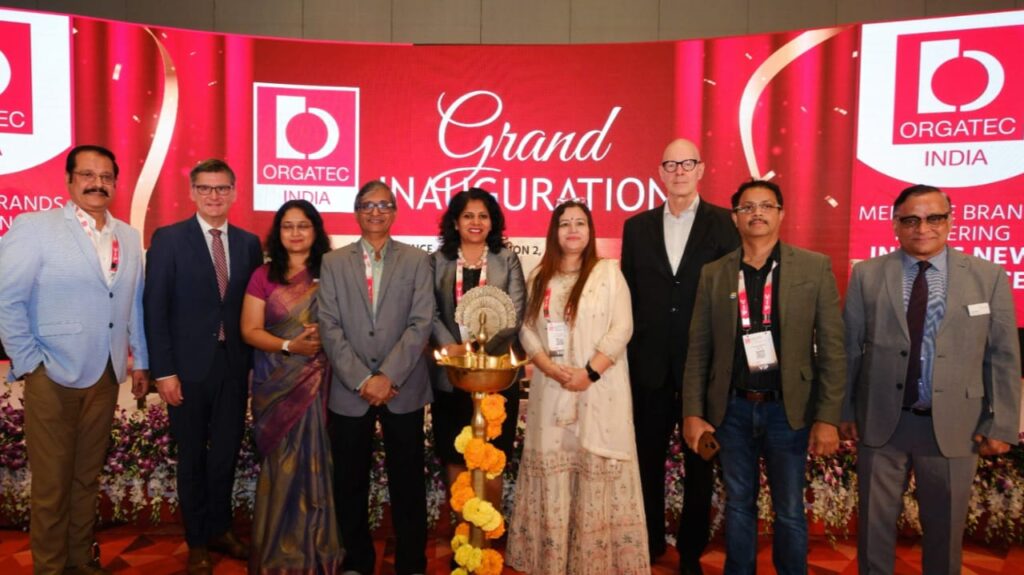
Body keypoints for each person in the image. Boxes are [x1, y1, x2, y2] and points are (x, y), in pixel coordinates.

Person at [841, 185, 1021, 575]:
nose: (923, 228)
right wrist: (844, 411)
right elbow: (850, 349)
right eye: (911, 220)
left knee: (945, 533)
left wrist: (1001, 423)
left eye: (934, 218)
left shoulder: (987, 276)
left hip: (955, 425)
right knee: (874, 531)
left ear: (950, 221)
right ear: (895, 225)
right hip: (882, 423)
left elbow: (1003, 355)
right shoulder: (867, 274)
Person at [682, 180, 845, 575]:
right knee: (739, 504)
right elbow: (699, 349)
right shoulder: (715, 273)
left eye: (766, 206)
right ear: (735, 217)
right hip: (732, 409)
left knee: (789, 509)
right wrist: (692, 413)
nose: (756, 213)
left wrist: (828, 417)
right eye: (747, 207)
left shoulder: (813, 267)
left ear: (781, 214)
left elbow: (833, 347)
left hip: (787, 411)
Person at [0, 145, 149, 575]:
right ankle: (50, 567)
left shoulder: (128, 236)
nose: (97, 183)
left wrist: (140, 360)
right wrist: (30, 362)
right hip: (52, 374)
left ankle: (81, 560)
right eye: (87, 174)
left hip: (106, 373)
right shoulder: (35, 227)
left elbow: (133, 304)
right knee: (52, 483)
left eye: (106, 177)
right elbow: (7, 299)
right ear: (68, 180)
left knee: (87, 478)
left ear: (115, 184)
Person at [507, 199, 650, 574]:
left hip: (598, 391)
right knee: (554, 469)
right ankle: (551, 560)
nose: (572, 230)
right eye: (565, 223)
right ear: (554, 232)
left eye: (580, 223)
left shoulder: (608, 273)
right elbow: (525, 328)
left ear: (590, 231)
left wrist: (589, 373)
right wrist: (547, 366)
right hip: (551, 390)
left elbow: (622, 328)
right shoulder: (539, 277)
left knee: (593, 468)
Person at [620, 137, 739, 572]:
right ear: (660, 173)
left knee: (700, 461)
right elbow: (628, 297)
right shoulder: (637, 227)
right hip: (648, 366)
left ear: (701, 169)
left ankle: (691, 551)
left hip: (702, 367)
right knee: (646, 460)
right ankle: (650, 541)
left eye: (687, 163)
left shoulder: (725, 224)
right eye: (670, 165)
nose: (679, 172)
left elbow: (731, 298)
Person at [143, 159, 264, 575]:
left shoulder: (248, 243)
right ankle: (197, 541)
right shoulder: (169, 239)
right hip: (186, 372)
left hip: (233, 368)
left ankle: (220, 529)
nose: (215, 195)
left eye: (222, 188)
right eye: (206, 188)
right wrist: (163, 372)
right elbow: (155, 308)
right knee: (192, 457)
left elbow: (252, 307)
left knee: (226, 455)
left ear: (234, 192)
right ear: (192, 192)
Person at [318, 180, 434, 575]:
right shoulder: (333, 262)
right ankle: (357, 560)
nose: (376, 212)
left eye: (384, 205)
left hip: (403, 387)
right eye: (368, 205)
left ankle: (412, 562)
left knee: (408, 481)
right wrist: (362, 379)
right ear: (356, 212)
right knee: (349, 481)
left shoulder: (417, 260)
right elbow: (329, 326)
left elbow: (421, 323)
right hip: (351, 389)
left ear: (395, 212)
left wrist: (387, 376)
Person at [240, 199, 343, 573]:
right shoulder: (263, 276)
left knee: (319, 460)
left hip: (321, 384)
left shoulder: (333, 271)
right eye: (288, 226)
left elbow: (350, 323)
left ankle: (318, 549)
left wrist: (325, 336)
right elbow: (249, 330)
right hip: (277, 385)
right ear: (278, 232)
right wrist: (289, 345)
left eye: (303, 225)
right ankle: (277, 552)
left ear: (316, 231)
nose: (295, 233)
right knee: (282, 465)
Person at [429, 188, 526, 510]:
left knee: (492, 455)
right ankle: (463, 529)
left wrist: (474, 348)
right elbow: (429, 311)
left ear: (492, 222)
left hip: (496, 375)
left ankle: (487, 529)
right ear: (455, 222)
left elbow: (514, 314)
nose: (476, 222)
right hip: (452, 374)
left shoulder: (506, 259)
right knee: (455, 453)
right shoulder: (437, 261)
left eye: (483, 216)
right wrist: (452, 348)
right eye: (468, 215)